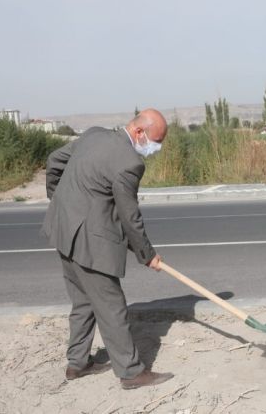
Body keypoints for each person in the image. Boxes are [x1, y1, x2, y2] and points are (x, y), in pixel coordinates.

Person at [41, 109, 175, 389]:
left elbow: (54, 161)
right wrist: (147, 255)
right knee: (113, 308)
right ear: (139, 132)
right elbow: (130, 217)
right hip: (90, 243)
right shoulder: (129, 163)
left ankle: (77, 364)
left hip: (63, 230)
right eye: (156, 141)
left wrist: (58, 200)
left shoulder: (93, 135)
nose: (156, 148)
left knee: (83, 301)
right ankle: (131, 372)